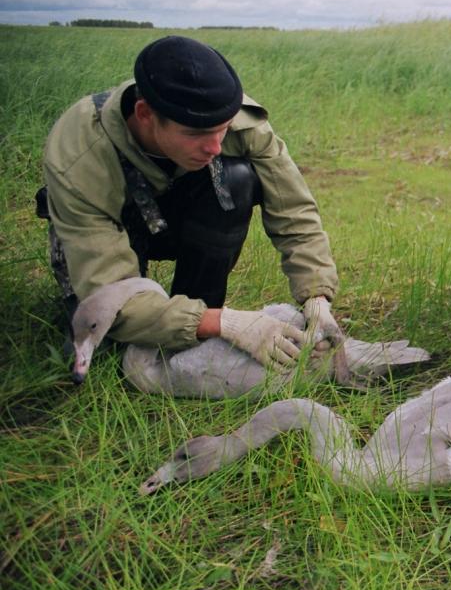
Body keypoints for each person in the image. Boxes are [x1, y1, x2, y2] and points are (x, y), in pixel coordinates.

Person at [38, 35, 342, 370]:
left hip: (176, 217)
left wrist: (316, 296)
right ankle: (203, 322)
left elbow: (293, 209)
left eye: (222, 130)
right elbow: (110, 293)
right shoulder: (79, 155)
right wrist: (232, 325)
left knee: (236, 178)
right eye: (197, 135)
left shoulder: (233, 116)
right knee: (109, 337)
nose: (214, 146)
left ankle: (200, 315)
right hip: (113, 228)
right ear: (144, 115)